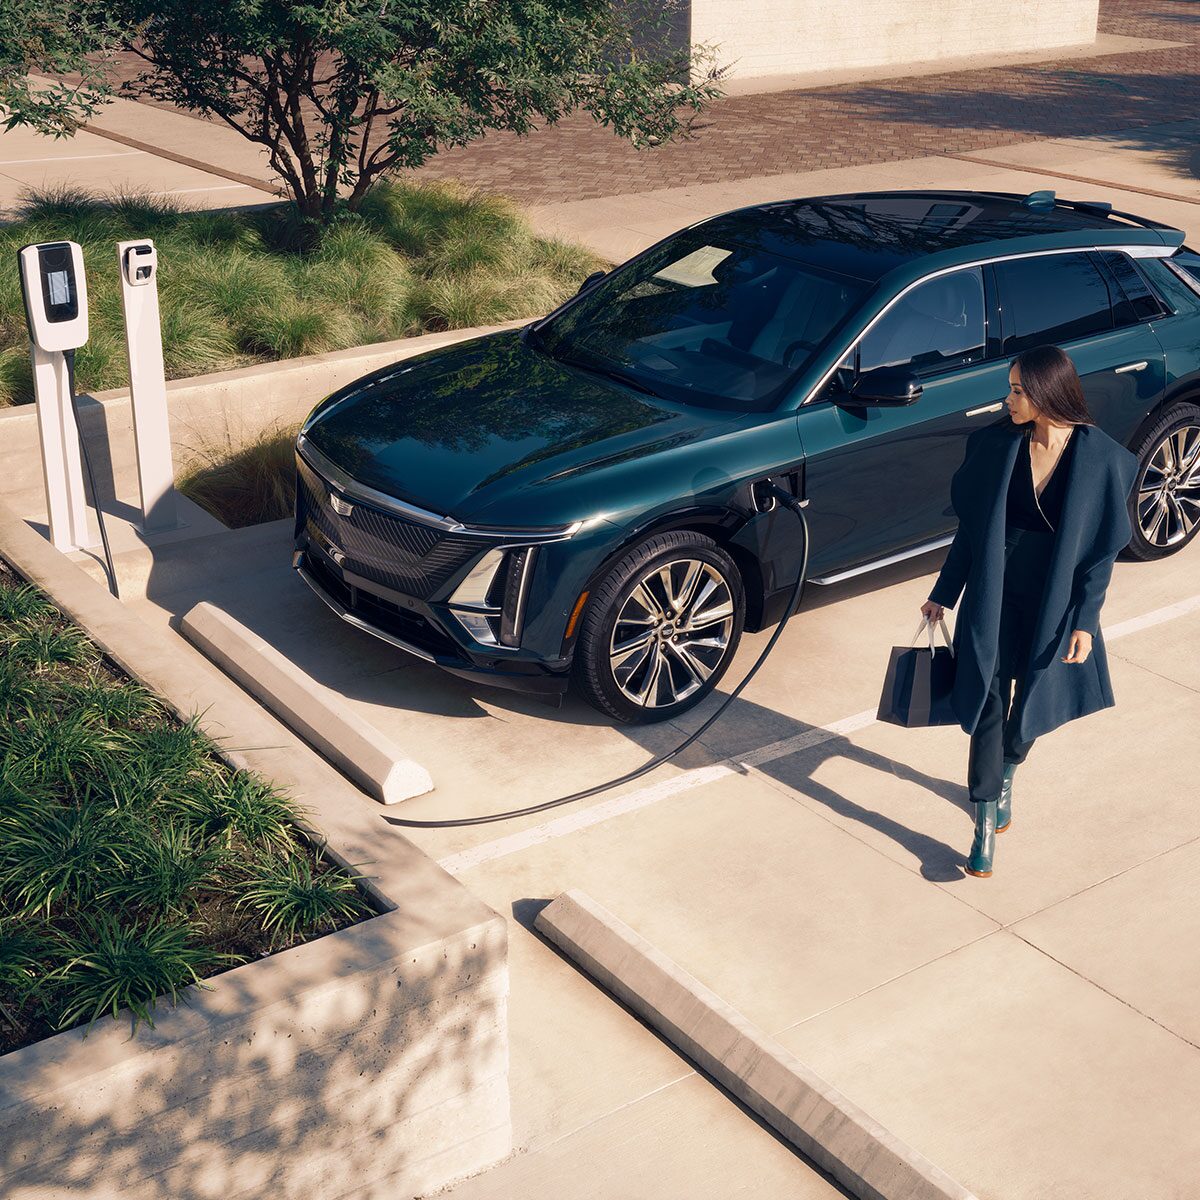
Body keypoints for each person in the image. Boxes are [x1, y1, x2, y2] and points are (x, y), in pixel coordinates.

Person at [920, 344, 1139, 878]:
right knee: (989, 702)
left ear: (1046, 393)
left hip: (1054, 598)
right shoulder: (997, 447)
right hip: (994, 592)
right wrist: (944, 594)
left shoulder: (1100, 458)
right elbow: (972, 536)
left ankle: (1010, 767)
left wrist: (1085, 620)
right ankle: (983, 822)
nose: (1009, 399)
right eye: (1012, 388)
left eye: (1018, 390)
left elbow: (1098, 555)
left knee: (1032, 704)